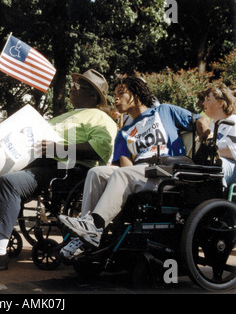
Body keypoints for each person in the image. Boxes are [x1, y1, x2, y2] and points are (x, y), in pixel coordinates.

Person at [0, 69, 118, 272]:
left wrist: (58, 148)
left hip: (65, 169)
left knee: (9, 181)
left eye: (78, 86)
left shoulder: (100, 118)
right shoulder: (66, 115)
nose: (72, 89)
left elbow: (102, 150)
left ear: (93, 94)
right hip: (38, 160)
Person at [57, 76, 211, 258]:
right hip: (142, 173)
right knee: (96, 172)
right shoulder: (123, 133)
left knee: (123, 175)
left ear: (136, 95)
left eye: (121, 93)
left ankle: (94, 226)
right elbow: (125, 165)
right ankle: (86, 232)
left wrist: (205, 136)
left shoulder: (164, 111)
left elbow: (200, 120)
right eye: (114, 94)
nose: (115, 99)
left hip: (170, 169)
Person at [202, 83, 236, 186]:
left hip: (231, 166)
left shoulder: (233, 122)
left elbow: (233, 152)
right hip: (214, 164)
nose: (203, 103)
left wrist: (211, 154)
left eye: (208, 99)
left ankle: (218, 197)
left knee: (217, 164)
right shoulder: (211, 125)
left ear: (220, 103)